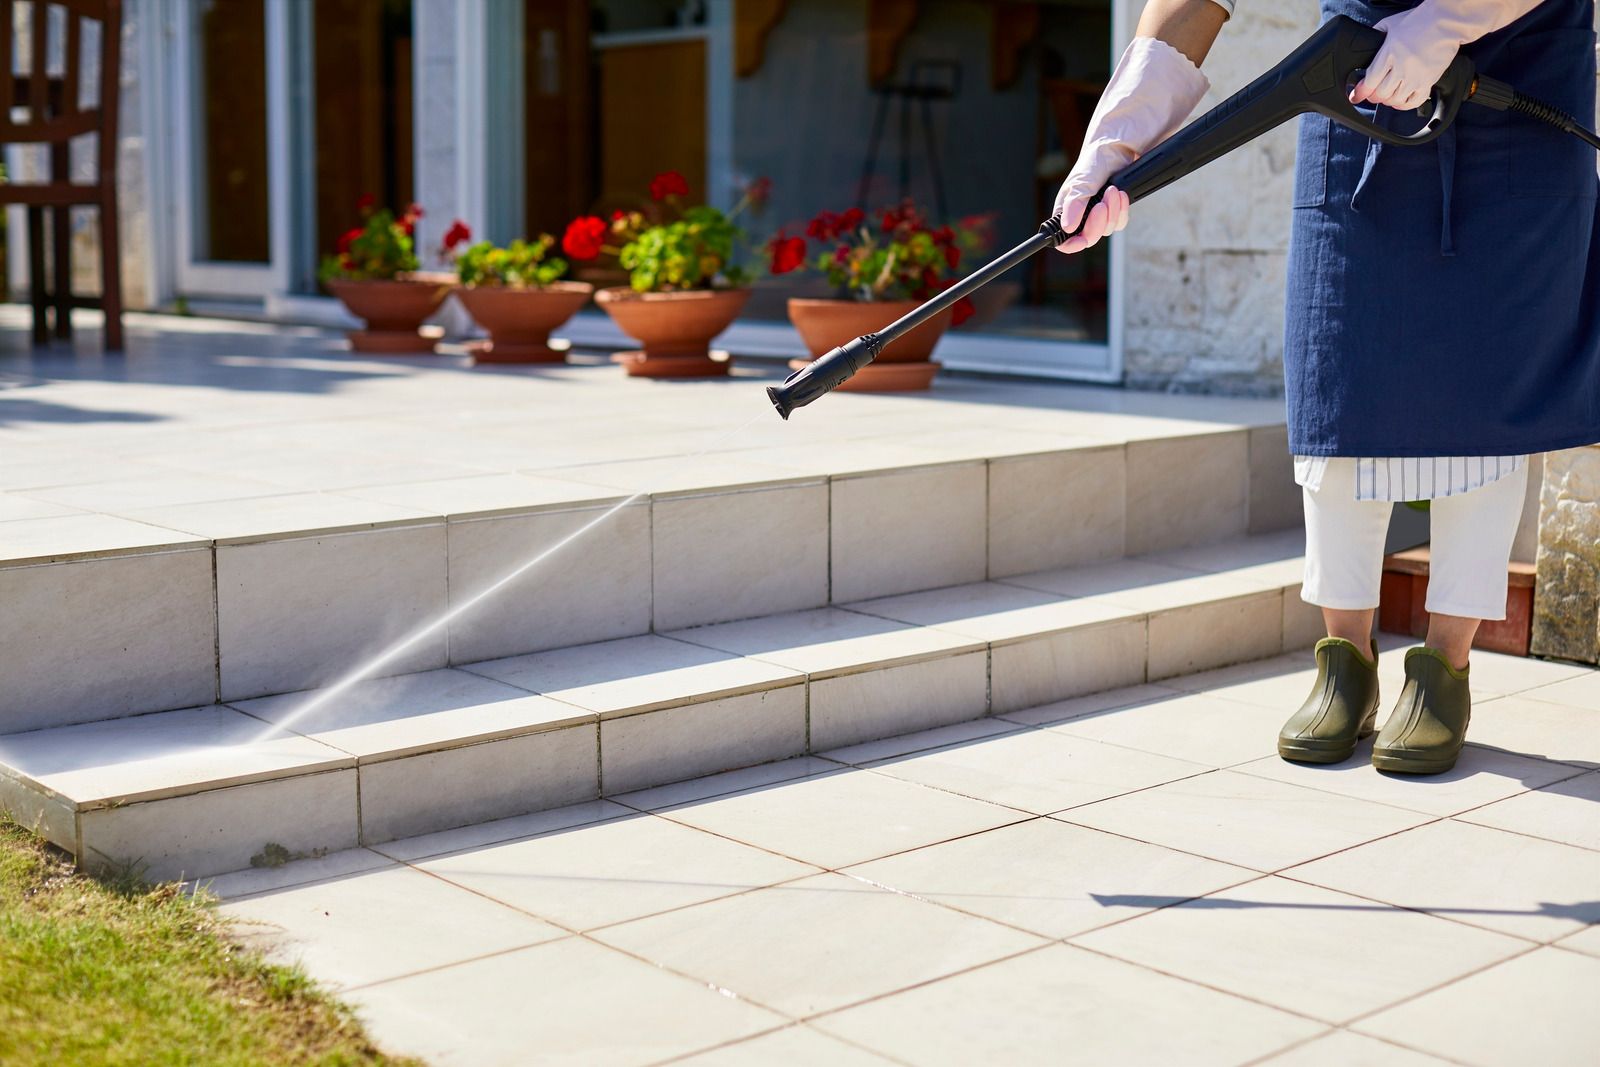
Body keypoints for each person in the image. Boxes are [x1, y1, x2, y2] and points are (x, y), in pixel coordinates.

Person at [1053, 0, 1598, 774]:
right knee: (1337, 371)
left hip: (1517, 82)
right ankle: (1345, 660)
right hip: (1356, 88)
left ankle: (1445, 667)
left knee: (1488, 386)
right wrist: (1120, 137)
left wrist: (1450, 18)